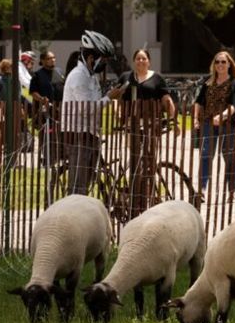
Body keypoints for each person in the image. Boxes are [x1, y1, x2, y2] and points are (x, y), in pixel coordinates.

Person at [112, 48, 179, 217]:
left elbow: (166, 100)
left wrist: (173, 120)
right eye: (138, 58)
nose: (141, 61)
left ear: (149, 61)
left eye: (144, 58)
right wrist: (118, 116)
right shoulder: (126, 77)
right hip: (131, 126)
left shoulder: (156, 78)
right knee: (136, 162)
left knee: (149, 162)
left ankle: (146, 198)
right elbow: (116, 97)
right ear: (134, 61)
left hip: (151, 124)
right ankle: (136, 196)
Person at [62, 30, 123, 195]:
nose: (104, 64)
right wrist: (109, 98)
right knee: (78, 186)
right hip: (78, 135)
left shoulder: (91, 77)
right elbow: (86, 109)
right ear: (91, 58)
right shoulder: (78, 77)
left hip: (90, 134)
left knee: (85, 185)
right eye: (103, 60)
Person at [193, 50, 235, 204]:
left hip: (229, 125)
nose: (220, 65)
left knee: (228, 155)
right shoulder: (208, 83)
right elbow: (199, 102)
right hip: (208, 123)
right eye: (217, 62)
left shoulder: (234, 83)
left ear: (229, 65)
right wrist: (195, 119)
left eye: (223, 62)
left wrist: (224, 115)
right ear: (214, 65)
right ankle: (201, 189)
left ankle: (232, 190)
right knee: (206, 154)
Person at [29, 51, 63, 166]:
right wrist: (42, 99)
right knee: (47, 135)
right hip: (44, 112)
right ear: (42, 61)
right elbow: (33, 92)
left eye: (54, 58)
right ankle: (48, 158)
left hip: (59, 110)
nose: (52, 60)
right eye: (49, 58)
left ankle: (58, 157)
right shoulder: (37, 75)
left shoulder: (59, 72)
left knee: (60, 134)